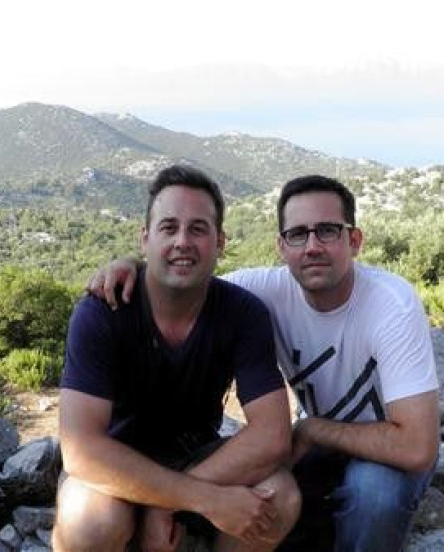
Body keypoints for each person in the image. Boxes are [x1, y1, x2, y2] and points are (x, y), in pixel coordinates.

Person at [88, 174, 440, 551]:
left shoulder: (390, 305)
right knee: (271, 492)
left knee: (372, 494)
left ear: (353, 241)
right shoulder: (264, 290)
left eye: (327, 231)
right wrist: (131, 266)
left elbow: (418, 447)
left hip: (388, 449)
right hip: (321, 447)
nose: (312, 247)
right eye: (298, 234)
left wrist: (312, 430)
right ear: (281, 246)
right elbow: (186, 276)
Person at [54, 165, 301, 552]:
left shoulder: (243, 313)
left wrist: (164, 507)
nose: (182, 241)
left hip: (197, 457)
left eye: (198, 229)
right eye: (169, 227)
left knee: (280, 497)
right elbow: (82, 450)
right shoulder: (104, 309)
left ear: (219, 243)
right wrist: (200, 500)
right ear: (145, 238)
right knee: (89, 520)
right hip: (116, 465)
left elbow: (272, 437)